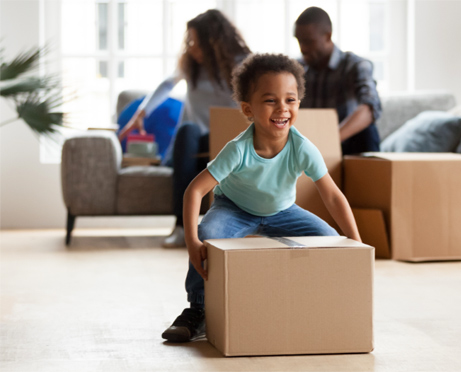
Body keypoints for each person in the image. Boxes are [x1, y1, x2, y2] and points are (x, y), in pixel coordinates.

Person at [161, 53, 362, 343]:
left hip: (283, 211)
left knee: (328, 239)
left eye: (290, 100)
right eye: (270, 100)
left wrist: (355, 240)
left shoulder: (303, 147)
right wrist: (192, 241)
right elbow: (195, 190)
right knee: (209, 233)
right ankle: (198, 309)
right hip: (234, 208)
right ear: (248, 109)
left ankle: (319, 303)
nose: (282, 108)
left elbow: (331, 195)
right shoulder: (238, 149)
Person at [118, 9, 251, 248]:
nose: (190, 47)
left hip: (226, 145)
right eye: (188, 41)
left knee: (218, 138)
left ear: (213, 42)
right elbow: (166, 85)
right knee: (186, 131)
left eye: (195, 41)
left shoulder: (242, 65)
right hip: (190, 146)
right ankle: (181, 227)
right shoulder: (192, 66)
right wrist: (141, 113)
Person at [294, 6, 382, 155]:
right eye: (299, 41)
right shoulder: (297, 69)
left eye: (308, 42)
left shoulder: (355, 65)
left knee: (368, 131)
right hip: (307, 143)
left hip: (345, 142)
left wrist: (329, 141)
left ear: (328, 36)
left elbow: (370, 107)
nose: (303, 49)